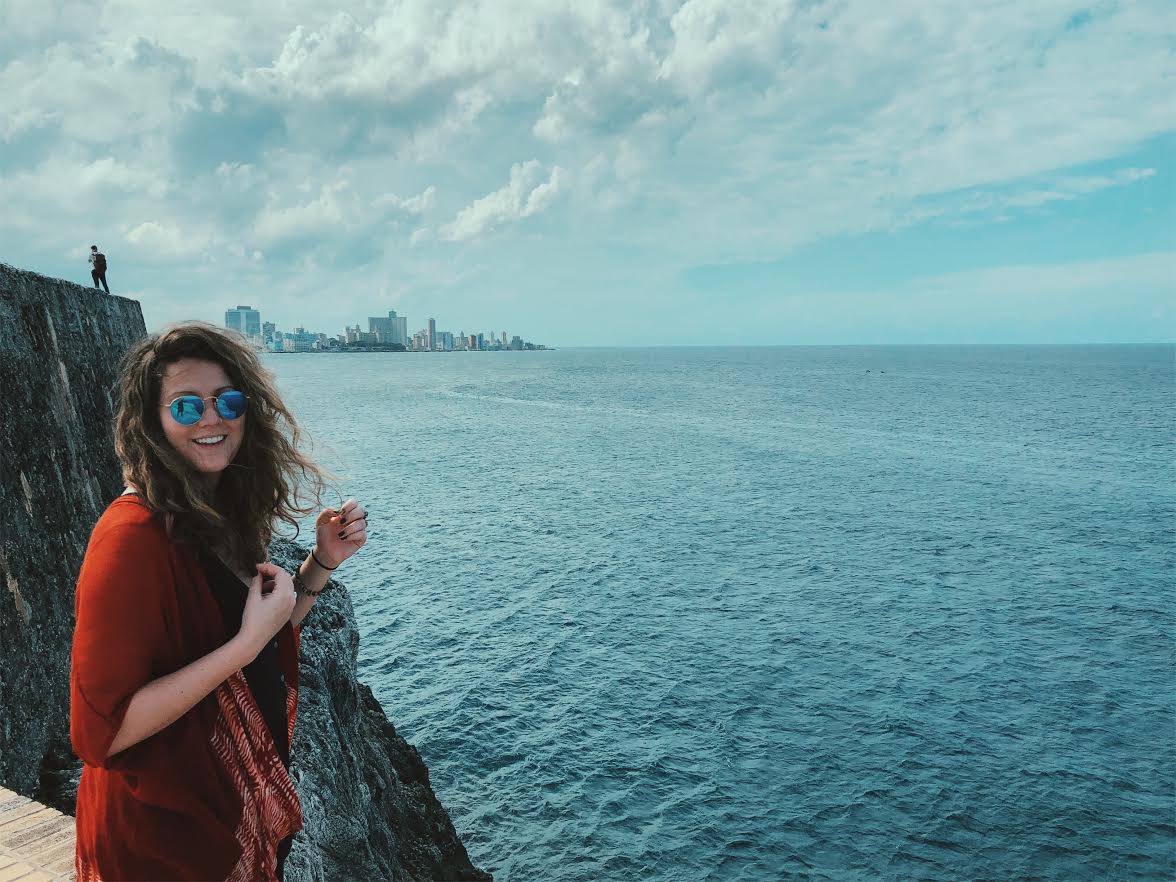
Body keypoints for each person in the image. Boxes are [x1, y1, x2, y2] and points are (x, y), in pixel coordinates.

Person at [70, 322, 368, 881]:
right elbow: (98, 734)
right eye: (186, 407)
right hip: (160, 841)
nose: (212, 418)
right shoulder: (129, 539)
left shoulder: (213, 518)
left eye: (227, 401)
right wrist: (246, 642)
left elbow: (255, 637)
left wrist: (321, 563)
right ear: (151, 423)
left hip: (219, 821)